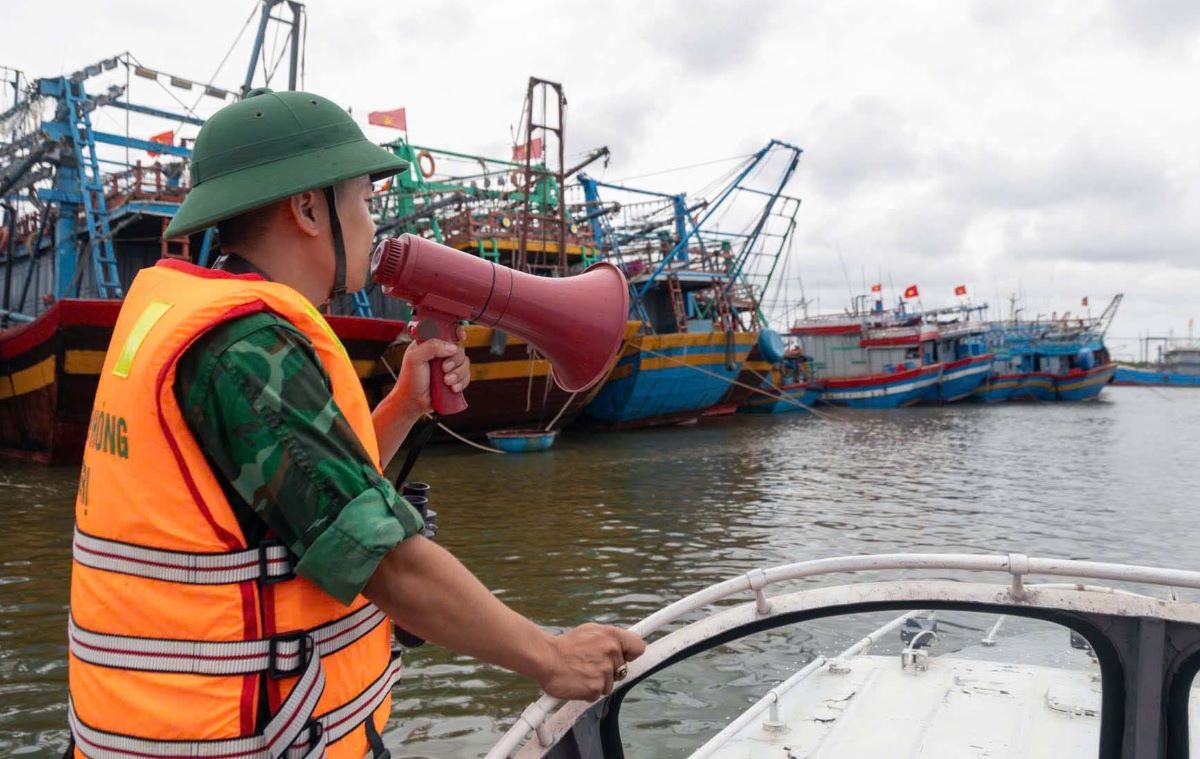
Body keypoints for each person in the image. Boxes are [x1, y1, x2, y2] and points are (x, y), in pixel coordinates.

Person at [66, 89, 643, 758]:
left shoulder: (197, 318)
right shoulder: (244, 350)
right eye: (364, 201)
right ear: (308, 208)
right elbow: (387, 563)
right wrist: (552, 655)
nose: (374, 225)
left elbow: (294, 491)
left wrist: (403, 405)